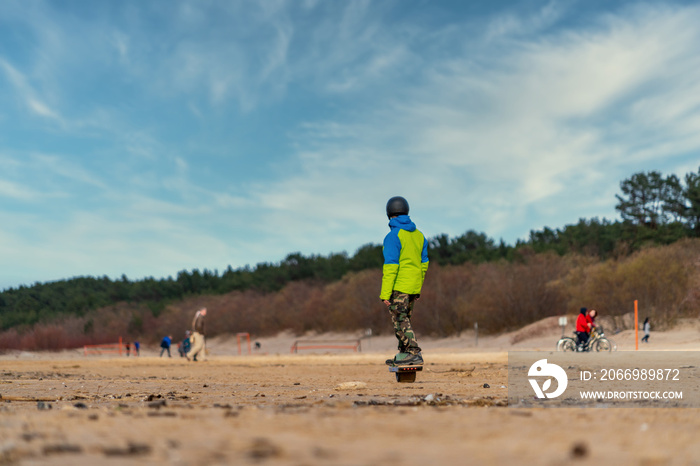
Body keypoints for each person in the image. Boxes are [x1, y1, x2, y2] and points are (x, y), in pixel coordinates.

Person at [380, 196, 429, 366]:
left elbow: (391, 267)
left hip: (399, 286)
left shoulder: (393, 236)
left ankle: (413, 352)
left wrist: (385, 293)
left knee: (400, 319)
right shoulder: (419, 235)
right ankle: (404, 353)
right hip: (413, 285)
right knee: (404, 318)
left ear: (389, 214)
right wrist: (418, 288)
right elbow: (424, 265)